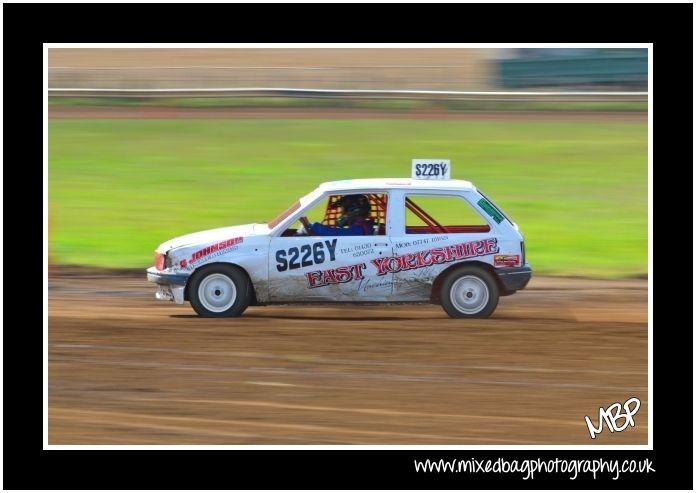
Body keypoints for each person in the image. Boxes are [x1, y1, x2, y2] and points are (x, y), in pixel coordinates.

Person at [308, 194, 374, 236]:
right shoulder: (365, 226)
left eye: (343, 211)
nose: (342, 214)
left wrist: (314, 226)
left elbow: (340, 234)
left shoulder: (359, 230)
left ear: (353, 211)